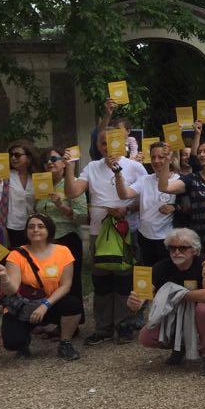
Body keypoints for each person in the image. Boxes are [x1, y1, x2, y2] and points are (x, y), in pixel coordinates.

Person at [64, 127, 145, 346]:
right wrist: (69, 167)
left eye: (112, 141)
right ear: (98, 145)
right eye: (102, 142)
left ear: (123, 141)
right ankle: (103, 328)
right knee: (101, 281)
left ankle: (123, 325)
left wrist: (127, 210)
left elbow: (145, 197)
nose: (107, 146)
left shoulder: (135, 167)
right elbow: (72, 192)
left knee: (123, 280)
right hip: (99, 232)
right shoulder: (92, 167)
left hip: (127, 232)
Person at [127, 227, 205, 375]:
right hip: (172, 313)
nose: (176, 252)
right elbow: (145, 293)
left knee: (204, 310)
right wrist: (135, 302)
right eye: (172, 248)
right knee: (146, 338)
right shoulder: (160, 267)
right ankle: (179, 346)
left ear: (194, 250)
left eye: (182, 248)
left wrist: (174, 293)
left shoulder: (204, 264)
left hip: (197, 314)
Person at [0, 213, 84, 360]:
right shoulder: (16, 255)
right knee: (12, 343)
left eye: (40, 226)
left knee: (73, 304)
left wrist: (45, 305)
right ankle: (23, 342)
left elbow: (66, 285)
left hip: (50, 302)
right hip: (23, 305)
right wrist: (4, 277)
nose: (35, 230)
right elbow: (12, 289)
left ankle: (65, 343)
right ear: (26, 231)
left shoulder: (63, 251)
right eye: (31, 227)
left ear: (49, 230)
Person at [112, 142, 179, 267]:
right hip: (144, 238)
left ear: (169, 159)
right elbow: (124, 194)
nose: (156, 161)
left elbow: (187, 207)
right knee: (149, 277)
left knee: (166, 277)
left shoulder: (178, 180)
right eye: (153, 157)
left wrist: (175, 207)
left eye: (161, 157)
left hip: (168, 240)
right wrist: (118, 174)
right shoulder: (145, 179)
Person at [36, 147, 88, 302]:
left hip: (67, 240)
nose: (49, 163)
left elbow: (82, 216)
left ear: (64, 163)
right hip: (45, 242)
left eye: (53, 159)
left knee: (70, 283)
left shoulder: (73, 183)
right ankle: (52, 319)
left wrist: (61, 206)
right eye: (46, 161)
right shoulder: (40, 185)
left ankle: (72, 322)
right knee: (48, 281)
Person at [156, 137, 205, 245]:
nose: (201, 154)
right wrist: (167, 161)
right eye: (199, 152)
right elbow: (164, 188)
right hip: (198, 238)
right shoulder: (191, 179)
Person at [0, 140, 40, 248]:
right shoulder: (5, 176)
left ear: (28, 158)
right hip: (9, 227)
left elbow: (41, 203)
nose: (13, 158)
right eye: (11, 155)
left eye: (17, 155)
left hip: (32, 227)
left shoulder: (36, 177)